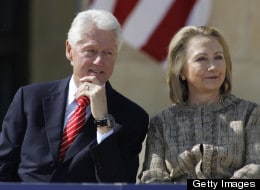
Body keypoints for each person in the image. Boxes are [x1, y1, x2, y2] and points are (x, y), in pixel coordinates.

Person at [0, 9, 149, 183]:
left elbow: (117, 182)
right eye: (91, 51)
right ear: (69, 50)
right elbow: (3, 165)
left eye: (108, 52)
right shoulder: (30, 99)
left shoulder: (132, 117)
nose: (99, 61)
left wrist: (103, 121)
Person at [139, 25, 260, 183]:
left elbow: (256, 167)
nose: (213, 67)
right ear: (181, 69)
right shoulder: (161, 123)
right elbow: (152, 177)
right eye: (201, 59)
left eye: (218, 57)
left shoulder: (250, 114)